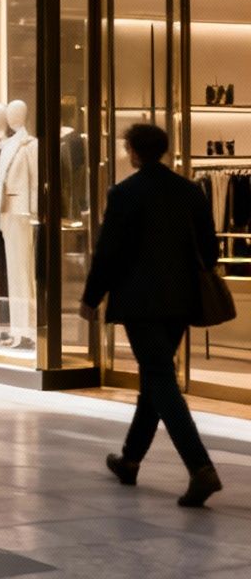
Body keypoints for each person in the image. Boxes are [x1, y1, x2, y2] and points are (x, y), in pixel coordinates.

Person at [82, 122, 224, 508]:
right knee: (155, 376)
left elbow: (108, 252)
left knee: (160, 378)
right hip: (180, 301)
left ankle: (200, 468)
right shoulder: (190, 191)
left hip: (139, 301)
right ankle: (130, 460)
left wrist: (91, 297)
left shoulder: (125, 193)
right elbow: (209, 250)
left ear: (133, 151)